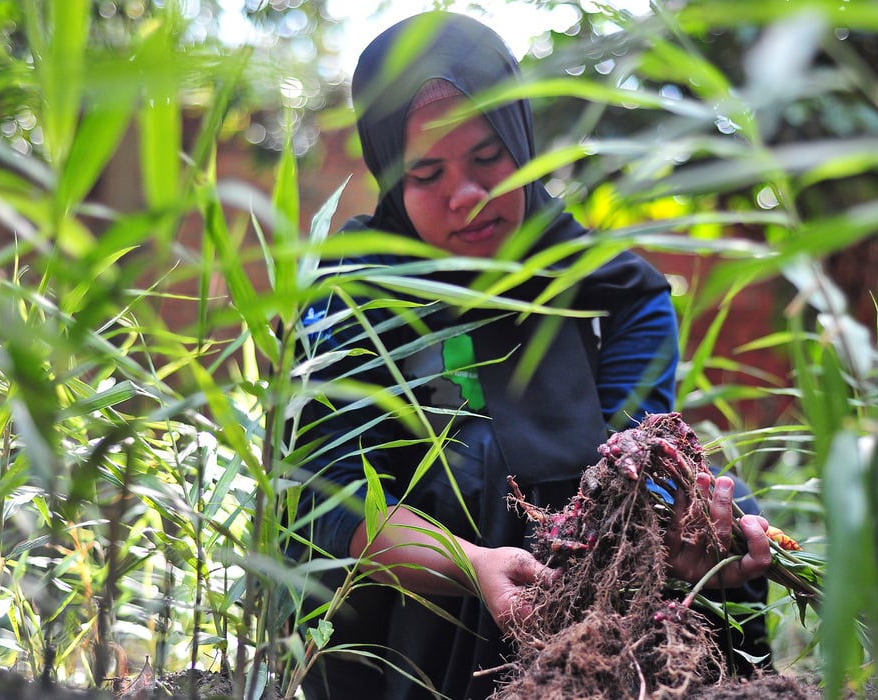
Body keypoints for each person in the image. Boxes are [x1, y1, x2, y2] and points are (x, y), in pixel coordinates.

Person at [288, 12, 773, 700]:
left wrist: (690, 528)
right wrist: (470, 562)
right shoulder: (352, 297)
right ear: (390, 177)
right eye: (427, 172)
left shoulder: (615, 293)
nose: (467, 196)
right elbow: (326, 503)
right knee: (472, 468)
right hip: (421, 621)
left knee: (720, 501)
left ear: (522, 141)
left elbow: (631, 462)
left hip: (606, 587)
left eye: (489, 158)